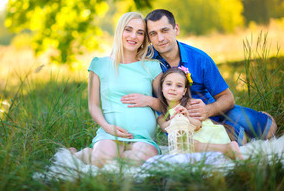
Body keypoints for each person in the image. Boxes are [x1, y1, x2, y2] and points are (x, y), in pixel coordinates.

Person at [122, 9, 277, 146]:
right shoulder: (145, 59)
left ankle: (254, 121)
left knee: (268, 130)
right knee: (210, 142)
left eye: (164, 30)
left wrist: (207, 111)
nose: (160, 38)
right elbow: (121, 55)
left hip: (212, 110)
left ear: (176, 29)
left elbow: (227, 98)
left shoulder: (199, 59)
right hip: (178, 119)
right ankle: (231, 133)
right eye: (153, 34)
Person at [71, 12, 163, 168]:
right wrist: (107, 127)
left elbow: (165, 105)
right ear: (120, 31)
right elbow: (93, 105)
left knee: (139, 161)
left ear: (144, 39)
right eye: (128, 29)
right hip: (109, 133)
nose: (133, 36)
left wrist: (150, 100)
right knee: (103, 161)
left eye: (140, 32)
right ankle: (88, 153)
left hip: (143, 137)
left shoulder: (152, 67)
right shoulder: (99, 65)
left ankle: (86, 154)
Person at [157, 67, 243, 160]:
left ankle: (228, 148)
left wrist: (186, 118)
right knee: (184, 145)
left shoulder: (189, 104)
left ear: (184, 91)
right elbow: (165, 127)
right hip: (188, 139)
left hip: (204, 133)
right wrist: (177, 118)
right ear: (162, 87)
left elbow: (198, 125)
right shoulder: (162, 116)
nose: (173, 88)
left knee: (189, 144)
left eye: (179, 86)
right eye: (169, 84)